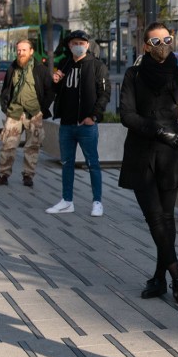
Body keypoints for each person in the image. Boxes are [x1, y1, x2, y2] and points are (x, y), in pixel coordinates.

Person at [119, 22, 178, 303]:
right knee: (154, 218)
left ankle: (160, 279)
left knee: (167, 218)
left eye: (166, 39)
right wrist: (159, 130)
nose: (162, 45)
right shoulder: (133, 75)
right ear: (145, 46)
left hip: (170, 156)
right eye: (155, 41)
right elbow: (126, 114)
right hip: (141, 154)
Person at [46, 30, 110, 217]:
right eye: (74, 43)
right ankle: (67, 201)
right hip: (66, 124)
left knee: (93, 163)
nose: (78, 46)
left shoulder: (97, 66)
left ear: (88, 45)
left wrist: (94, 116)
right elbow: (57, 91)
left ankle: (97, 202)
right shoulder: (64, 64)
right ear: (69, 46)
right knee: (67, 163)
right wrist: (56, 82)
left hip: (86, 125)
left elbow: (104, 94)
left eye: (82, 42)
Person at [0, 39, 54, 187]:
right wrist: (5, 107)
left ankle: (28, 175)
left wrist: (43, 109)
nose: (21, 53)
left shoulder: (40, 69)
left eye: (24, 50)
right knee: (8, 144)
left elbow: (50, 90)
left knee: (32, 146)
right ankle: (3, 175)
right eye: (19, 50)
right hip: (14, 112)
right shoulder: (13, 67)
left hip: (34, 113)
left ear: (31, 51)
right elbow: (6, 88)